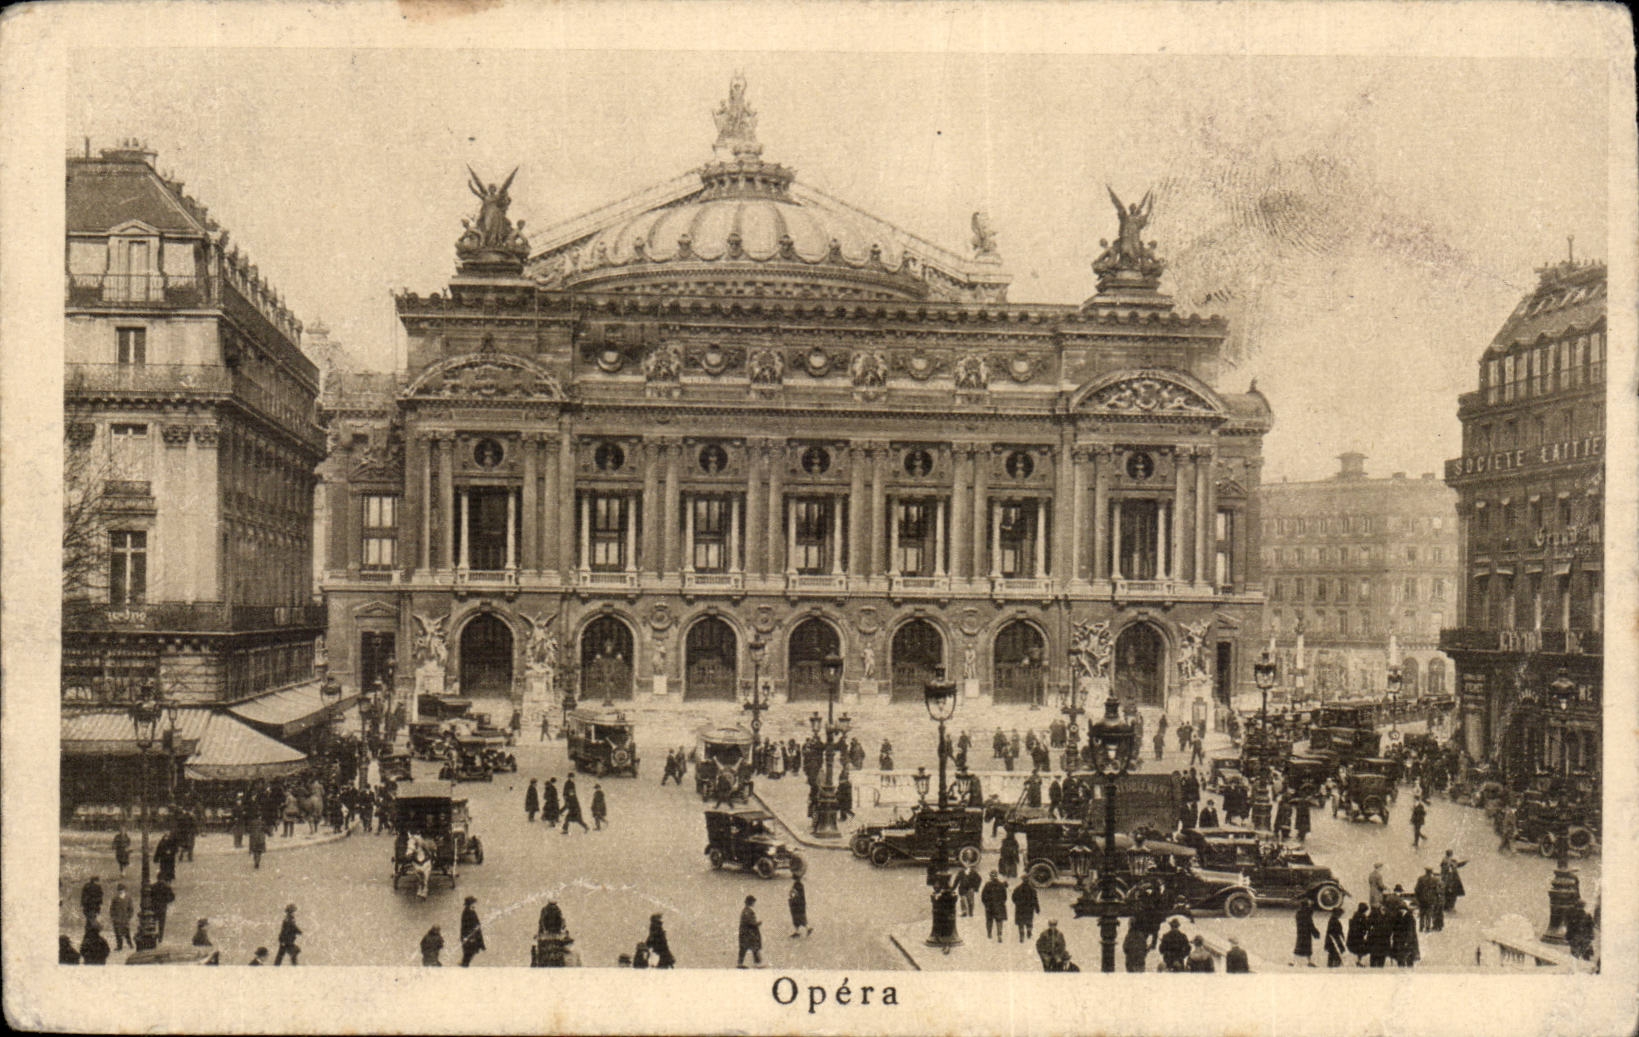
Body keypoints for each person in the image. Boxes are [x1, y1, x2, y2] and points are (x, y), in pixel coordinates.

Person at [981, 871, 1009, 942]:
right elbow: (1005, 897)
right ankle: (999, 934)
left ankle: (989, 933)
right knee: (999, 921)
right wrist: (1001, 903)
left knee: (989, 920)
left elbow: (983, 896)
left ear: (990, 877)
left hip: (989, 907)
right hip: (999, 906)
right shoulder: (1001, 885)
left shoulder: (987, 885)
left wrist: (986, 904)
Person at [459, 895, 486, 966]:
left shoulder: (470, 910)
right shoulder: (467, 912)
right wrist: (469, 937)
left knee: (470, 952)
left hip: (472, 936)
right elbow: (466, 927)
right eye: (474, 902)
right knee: (469, 953)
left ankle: (464, 964)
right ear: (471, 903)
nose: (475, 904)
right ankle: (464, 966)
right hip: (470, 937)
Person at [737, 895, 763, 968]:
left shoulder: (745, 910)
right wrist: (758, 923)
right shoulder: (748, 911)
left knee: (745, 949)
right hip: (749, 934)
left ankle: (740, 963)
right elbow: (750, 922)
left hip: (745, 933)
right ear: (751, 902)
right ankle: (757, 964)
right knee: (754, 948)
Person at [1414, 867, 1443, 932]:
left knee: (1422, 913)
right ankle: (1427, 927)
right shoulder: (1435, 880)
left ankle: (1421, 927)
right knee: (1429, 913)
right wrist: (1438, 898)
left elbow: (1416, 889)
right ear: (1431, 872)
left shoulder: (1421, 879)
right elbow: (1437, 890)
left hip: (1422, 899)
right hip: (1431, 899)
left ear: (1426, 871)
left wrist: (1418, 897)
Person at [1011, 878, 1039, 943]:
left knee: (1020, 923)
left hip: (1020, 909)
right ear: (1028, 881)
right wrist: (1037, 909)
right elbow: (1035, 900)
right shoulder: (1032, 890)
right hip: (1029, 909)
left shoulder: (1017, 889)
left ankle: (1021, 935)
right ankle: (1029, 931)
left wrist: (1017, 903)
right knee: (1029, 921)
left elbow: (1013, 898)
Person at [1293, 898, 1319, 967]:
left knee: (1298, 947)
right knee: (1308, 948)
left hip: (1300, 932)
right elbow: (1310, 924)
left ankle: (1295, 961)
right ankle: (1309, 961)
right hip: (1307, 933)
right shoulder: (1307, 914)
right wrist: (1315, 932)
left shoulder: (1298, 913)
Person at [108, 883, 133, 951]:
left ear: (124, 890)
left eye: (122, 890)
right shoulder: (115, 898)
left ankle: (130, 944)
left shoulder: (128, 898)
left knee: (127, 932)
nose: (120, 892)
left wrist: (129, 916)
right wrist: (112, 916)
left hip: (125, 918)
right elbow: (112, 908)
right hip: (117, 919)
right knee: (118, 933)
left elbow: (131, 908)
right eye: (119, 890)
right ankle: (119, 946)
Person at [150, 876, 175, 941]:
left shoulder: (153, 886)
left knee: (153, 922)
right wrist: (166, 901)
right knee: (161, 923)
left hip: (154, 907)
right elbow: (172, 897)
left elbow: (149, 896)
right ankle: (160, 938)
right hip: (163, 907)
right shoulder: (167, 887)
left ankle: (152, 935)